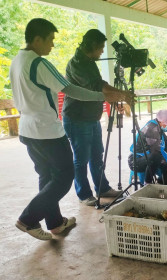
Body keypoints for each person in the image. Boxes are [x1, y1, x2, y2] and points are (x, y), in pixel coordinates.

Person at [10, 18, 129, 240]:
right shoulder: (39, 63)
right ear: (37, 39)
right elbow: (71, 90)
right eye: (50, 40)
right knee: (65, 176)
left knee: (47, 177)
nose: (52, 45)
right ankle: (28, 218)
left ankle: (55, 223)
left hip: (28, 130)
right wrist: (104, 96)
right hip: (47, 131)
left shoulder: (17, 60)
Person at [62, 29, 133, 206]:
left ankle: (102, 188)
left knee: (96, 155)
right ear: (92, 45)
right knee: (81, 159)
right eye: (100, 47)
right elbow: (98, 86)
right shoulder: (77, 63)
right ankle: (84, 194)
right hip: (77, 118)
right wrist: (122, 94)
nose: (102, 51)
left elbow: (99, 88)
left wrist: (115, 99)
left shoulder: (89, 61)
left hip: (91, 117)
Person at [128, 110, 167, 184]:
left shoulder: (158, 125)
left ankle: (165, 171)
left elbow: (164, 142)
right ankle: (148, 182)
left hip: (150, 155)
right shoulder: (152, 129)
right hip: (137, 161)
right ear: (162, 121)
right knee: (157, 156)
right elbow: (156, 151)